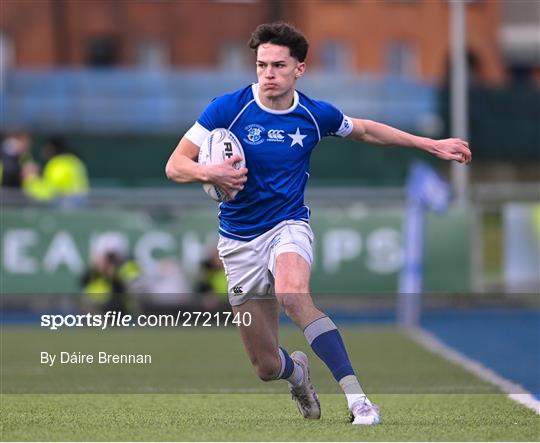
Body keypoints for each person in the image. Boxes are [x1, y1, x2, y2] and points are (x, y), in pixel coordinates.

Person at [165, 22, 471, 426]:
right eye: (261, 65)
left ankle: (359, 400)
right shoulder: (227, 108)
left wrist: (429, 144)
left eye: (277, 65)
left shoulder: (313, 114)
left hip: (287, 225)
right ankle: (297, 374)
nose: (268, 74)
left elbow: (365, 129)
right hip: (237, 242)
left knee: (294, 295)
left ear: (299, 69)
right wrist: (212, 173)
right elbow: (175, 165)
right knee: (264, 365)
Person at [23, 136, 89, 207]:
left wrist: (31, 179)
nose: (43, 151)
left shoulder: (57, 164)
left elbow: (50, 194)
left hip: (64, 208)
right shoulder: (75, 161)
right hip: (77, 207)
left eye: (45, 147)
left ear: (51, 148)